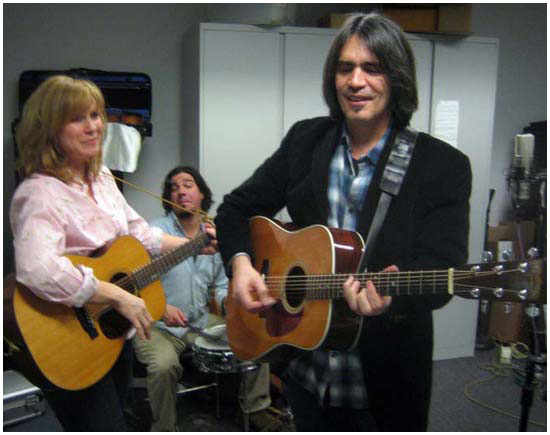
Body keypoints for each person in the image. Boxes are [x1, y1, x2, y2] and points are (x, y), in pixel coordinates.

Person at [215, 12, 472, 432]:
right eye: (345, 68)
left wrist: (393, 298)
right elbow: (235, 209)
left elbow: (443, 270)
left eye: (372, 68)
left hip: (384, 382)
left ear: (397, 78)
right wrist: (241, 264)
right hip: (306, 368)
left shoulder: (441, 165)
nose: (356, 81)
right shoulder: (305, 141)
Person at [9, 75, 216, 431]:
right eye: (77, 118)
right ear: (50, 129)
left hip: (113, 334)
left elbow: (139, 235)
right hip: (70, 339)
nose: (93, 127)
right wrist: (115, 294)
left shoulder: (102, 178)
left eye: (95, 115)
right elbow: (37, 269)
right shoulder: (40, 192)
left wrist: (194, 245)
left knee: (121, 417)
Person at [132, 165, 286, 431]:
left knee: (254, 338)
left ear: (202, 193)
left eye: (187, 185)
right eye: (174, 188)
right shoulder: (153, 233)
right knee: (164, 366)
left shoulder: (216, 235)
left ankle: (256, 409)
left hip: (199, 321)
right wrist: (161, 308)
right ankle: (164, 428)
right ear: (168, 198)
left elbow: (223, 285)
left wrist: (231, 305)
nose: (181, 192)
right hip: (157, 325)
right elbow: (134, 282)